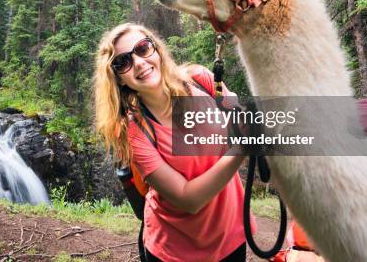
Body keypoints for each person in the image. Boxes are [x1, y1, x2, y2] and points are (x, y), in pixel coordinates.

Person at [94, 23, 255, 262]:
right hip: (174, 252)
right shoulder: (134, 132)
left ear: (156, 49)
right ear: (118, 79)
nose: (138, 62)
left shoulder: (201, 80)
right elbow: (188, 199)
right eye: (123, 62)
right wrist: (242, 148)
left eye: (142, 48)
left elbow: (241, 119)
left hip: (231, 235)